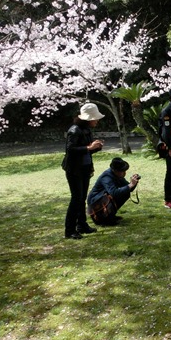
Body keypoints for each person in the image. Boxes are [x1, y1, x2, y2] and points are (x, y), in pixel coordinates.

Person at [62, 102, 105, 239]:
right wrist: (89, 148)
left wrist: (95, 148)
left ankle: (82, 225)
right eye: (95, 118)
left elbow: (86, 151)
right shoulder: (74, 130)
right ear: (88, 118)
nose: (97, 121)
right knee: (76, 199)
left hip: (84, 168)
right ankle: (69, 230)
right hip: (74, 169)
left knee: (82, 198)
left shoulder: (86, 130)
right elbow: (70, 150)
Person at [87, 157, 140, 225]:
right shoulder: (106, 176)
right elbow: (114, 193)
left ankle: (110, 216)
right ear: (116, 170)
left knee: (125, 193)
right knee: (113, 195)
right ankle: (103, 218)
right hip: (95, 201)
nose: (124, 173)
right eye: (122, 170)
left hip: (103, 198)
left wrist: (134, 183)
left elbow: (129, 189)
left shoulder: (117, 175)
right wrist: (130, 185)